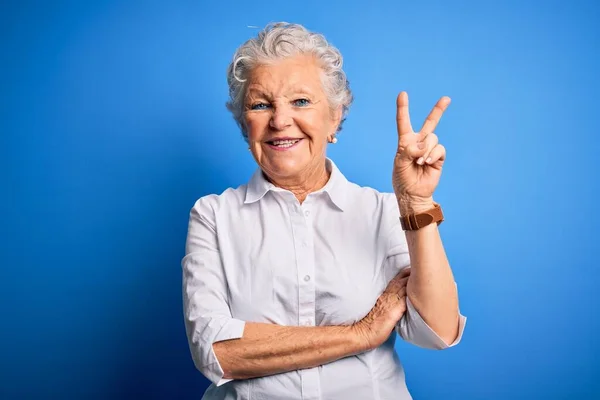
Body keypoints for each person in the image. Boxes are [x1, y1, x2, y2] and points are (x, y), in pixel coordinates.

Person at [182, 22, 467, 400]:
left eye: (300, 101)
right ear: (244, 124)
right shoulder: (213, 216)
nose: (280, 120)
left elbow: (438, 331)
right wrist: (362, 332)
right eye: (260, 104)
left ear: (334, 118)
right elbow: (217, 351)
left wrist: (415, 205)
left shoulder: (381, 212)